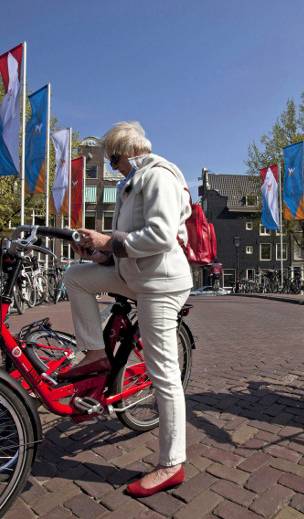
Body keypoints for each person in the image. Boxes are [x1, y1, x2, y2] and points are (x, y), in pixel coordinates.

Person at [63, 121, 192, 497]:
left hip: (160, 284)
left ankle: (172, 464)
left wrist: (108, 239)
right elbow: (127, 244)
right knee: (76, 277)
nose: (111, 166)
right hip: (134, 275)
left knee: (162, 371)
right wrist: (100, 253)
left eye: (113, 158)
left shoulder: (159, 177)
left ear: (126, 151)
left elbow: (161, 236)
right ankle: (96, 353)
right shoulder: (130, 183)